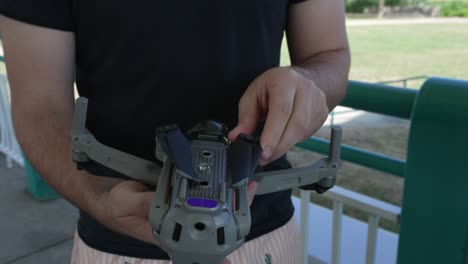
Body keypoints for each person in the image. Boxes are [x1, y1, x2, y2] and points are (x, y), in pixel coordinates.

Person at [0, 0, 350, 263]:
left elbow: (329, 54)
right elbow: (38, 103)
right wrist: (99, 198)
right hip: (116, 240)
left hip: (263, 239)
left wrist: (307, 82)